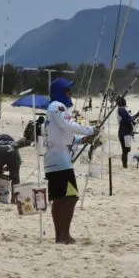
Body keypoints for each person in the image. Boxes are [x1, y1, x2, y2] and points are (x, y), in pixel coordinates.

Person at [44, 77, 96, 244]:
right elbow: (70, 125)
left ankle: (60, 236)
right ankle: (64, 235)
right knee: (70, 197)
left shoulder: (53, 109)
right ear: (60, 92)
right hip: (60, 159)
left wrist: (82, 139)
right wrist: (90, 130)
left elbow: (66, 135)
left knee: (59, 198)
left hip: (56, 157)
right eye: (68, 90)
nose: (70, 93)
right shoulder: (57, 107)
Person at [0, 133, 29, 201]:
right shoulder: (11, 139)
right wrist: (9, 168)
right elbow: (18, 162)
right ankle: (13, 200)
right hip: (12, 150)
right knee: (15, 178)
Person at [116, 97, 138, 169]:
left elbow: (129, 119)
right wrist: (137, 115)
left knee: (127, 150)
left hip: (126, 133)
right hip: (124, 134)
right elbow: (129, 119)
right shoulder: (121, 110)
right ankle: (125, 166)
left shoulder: (122, 110)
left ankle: (125, 165)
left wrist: (136, 115)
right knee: (125, 150)